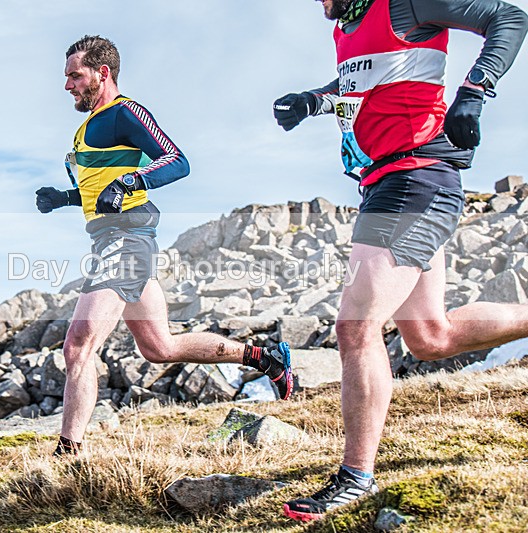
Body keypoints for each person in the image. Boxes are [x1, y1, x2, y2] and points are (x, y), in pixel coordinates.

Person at [272, 0, 528, 522]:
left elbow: (509, 17)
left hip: (417, 179)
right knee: (431, 338)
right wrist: (312, 102)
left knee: (355, 326)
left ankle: (355, 478)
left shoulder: (405, 3)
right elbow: (363, 93)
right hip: (383, 185)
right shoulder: (347, 28)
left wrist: (474, 93)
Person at [35, 35, 293, 456]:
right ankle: (265, 359)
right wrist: (62, 198)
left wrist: (131, 181)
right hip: (109, 241)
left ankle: (68, 455)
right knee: (160, 348)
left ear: (103, 73)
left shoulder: (125, 112)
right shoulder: (86, 128)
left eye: (74, 76)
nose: (67, 86)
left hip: (127, 241)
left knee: (78, 346)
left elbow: (177, 161)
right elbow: (101, 191)